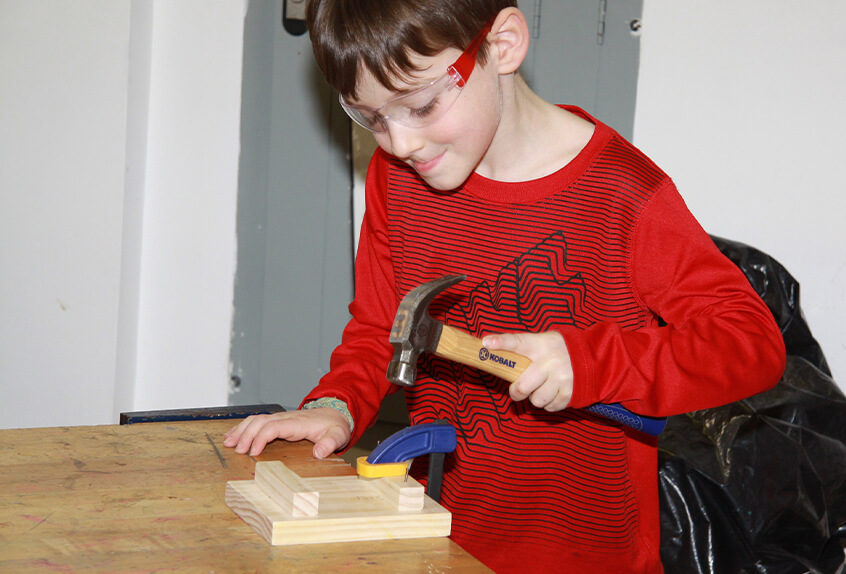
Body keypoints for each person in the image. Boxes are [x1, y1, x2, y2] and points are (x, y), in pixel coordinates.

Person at [224, 1, 786, 571]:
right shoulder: (398, 182)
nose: (399, 144)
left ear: (502, 45)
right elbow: (381, 328)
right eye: (371, 117)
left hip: (585, 554)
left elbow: (749, 344)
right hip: (437, 540)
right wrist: (335, 404)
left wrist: (590, 362)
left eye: (420, 105)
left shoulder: (621, 194)